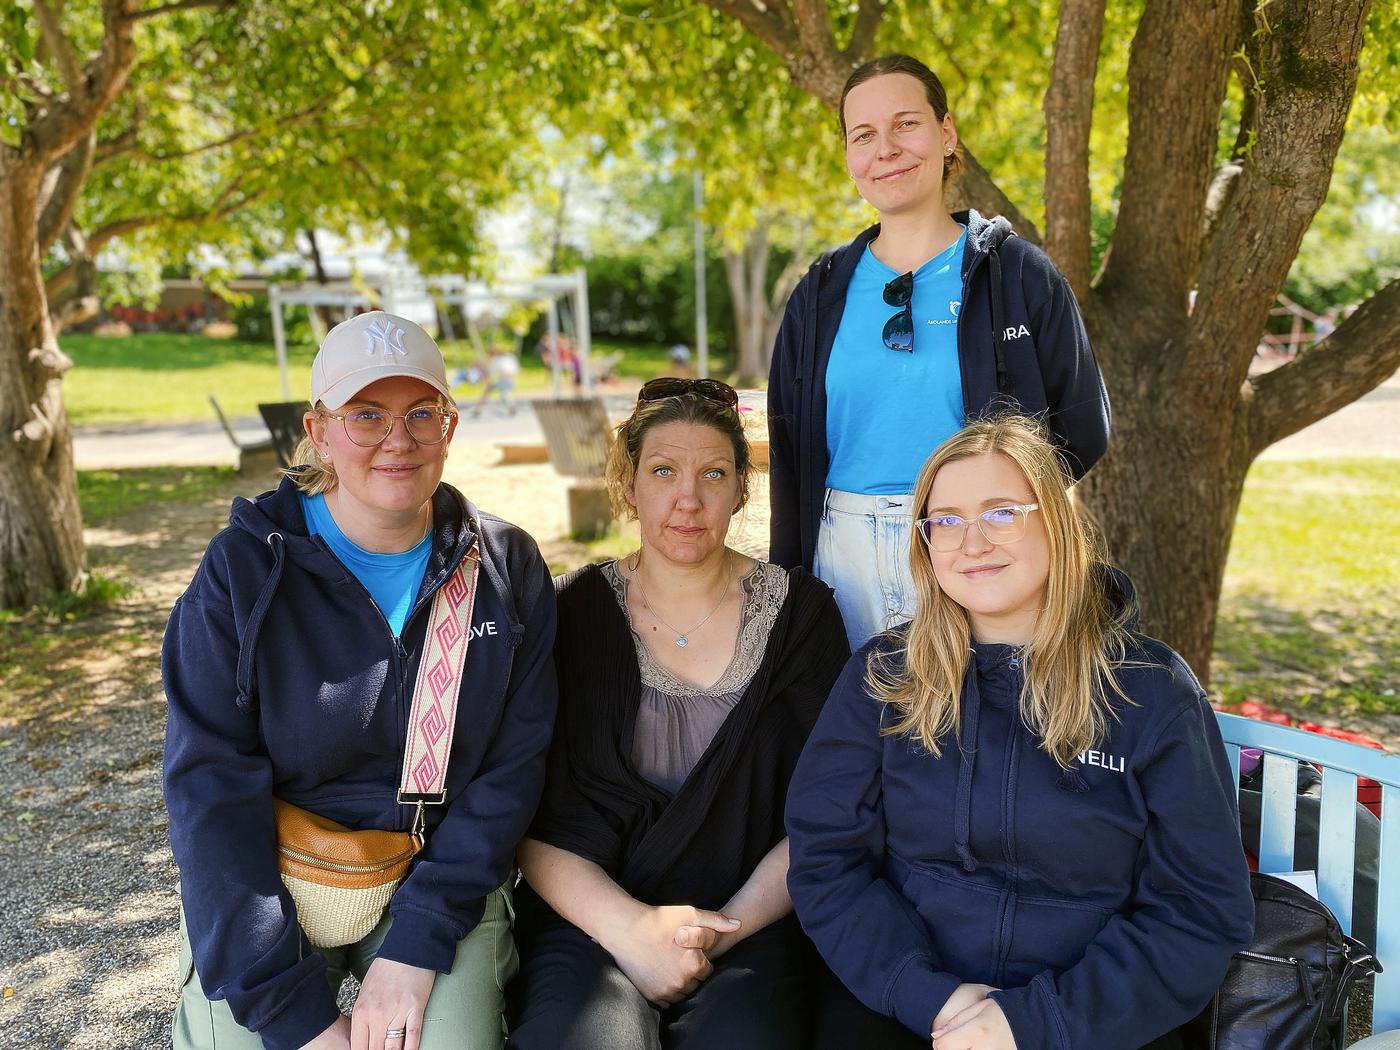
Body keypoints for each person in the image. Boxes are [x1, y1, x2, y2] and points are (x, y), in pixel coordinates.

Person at [785, 416, 1254, 1050]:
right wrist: (929, 996)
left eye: (1001, 513)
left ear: (1057, 526)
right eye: (945, 520)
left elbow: (1198, 912)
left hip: (1093, 1020)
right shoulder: (885, 678)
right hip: (906, 1003)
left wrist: (1031, 1023)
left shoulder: (1150, 691)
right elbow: (826, 860)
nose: (971, 541)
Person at [163, 311, 558, 1050]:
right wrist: (295, 1015)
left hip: (436, 871)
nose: (396, 439)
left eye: (420, 414)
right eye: (366, 415)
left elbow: (512, 769)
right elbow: (209, 789)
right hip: (272, 871)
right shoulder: (244, 572)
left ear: (451, 425)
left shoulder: (505, 568)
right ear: (318, 431)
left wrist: (420, 942)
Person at [508, 377, 850, 1050]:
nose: (688, 499)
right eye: (663, 470)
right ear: (628, 486)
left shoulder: (802, 617)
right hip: (595, 916)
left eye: (713, 474)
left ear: (741, 490)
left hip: (754, 915)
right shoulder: (568, 614)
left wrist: (720, 928)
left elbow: (832, 807)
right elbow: (522, 805)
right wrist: (631, 931)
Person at [768, 53, 1111, 650]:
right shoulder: (819, 293)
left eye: (906, 124)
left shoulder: (1016, 274)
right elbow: (792, 448)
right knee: (856, 735)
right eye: (864, 135)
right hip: (842, 553)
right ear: (849, 156)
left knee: (972, 731)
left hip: (970, 547)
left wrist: (996, 520)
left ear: (946, 133)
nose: (886, 149)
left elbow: (1082, 425)